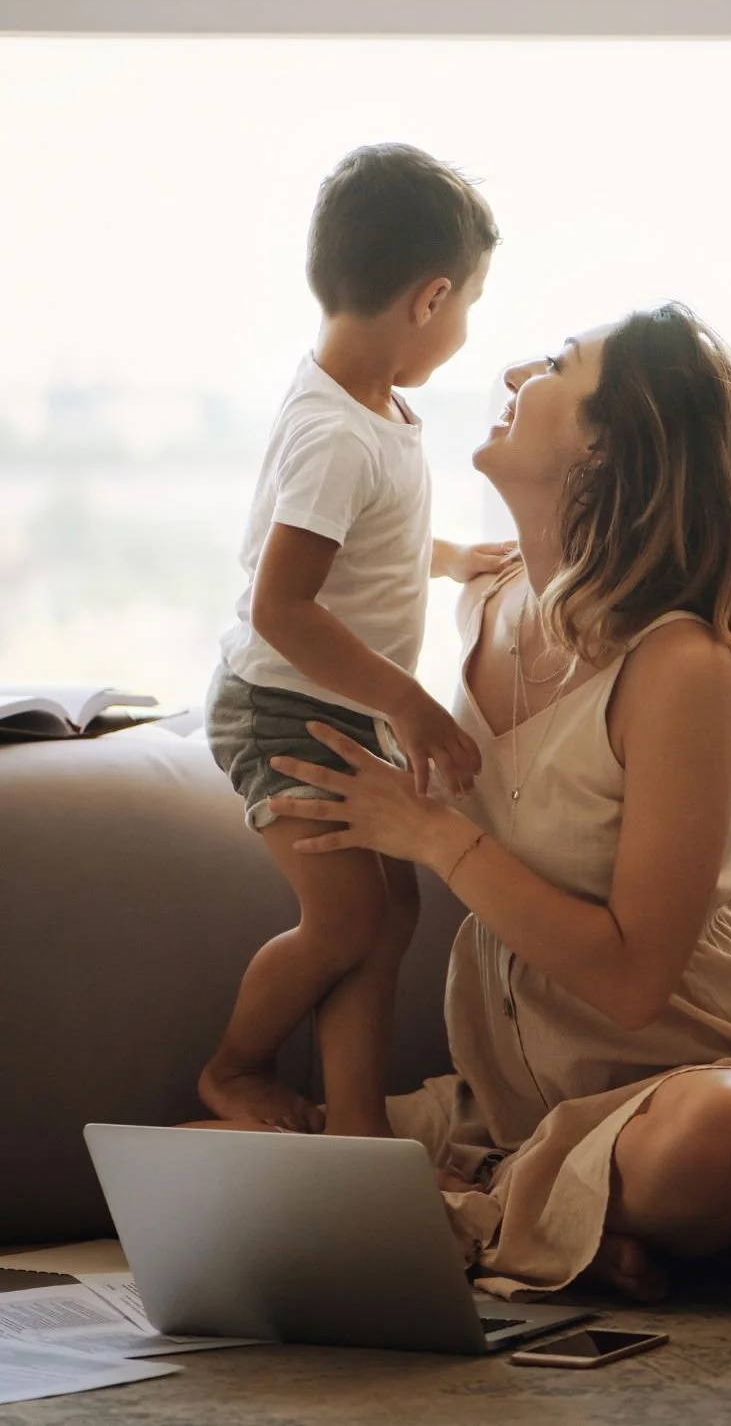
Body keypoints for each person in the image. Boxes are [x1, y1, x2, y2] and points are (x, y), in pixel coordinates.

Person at [263, 302, 731, 1303]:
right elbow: (300, 576)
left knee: (722, 1143)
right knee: (209, 1152)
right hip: (509, 1112)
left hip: (691, 1094)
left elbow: (636, 982)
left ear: (608, 446)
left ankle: (483, 1212)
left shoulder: (679, 665)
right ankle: (538, 1213)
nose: (512, 372)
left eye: (557, 364)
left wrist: (430, 835)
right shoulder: (485, 601)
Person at [201, 143, 513, 1139]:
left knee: (394, 914)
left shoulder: (370, 407)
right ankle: (235, 1069)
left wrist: (454, 556)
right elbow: (283, 607)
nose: (464, 329)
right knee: (344, 918)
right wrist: (410, 704)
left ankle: (354, 1128)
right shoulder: (333, 430)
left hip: (333, 703)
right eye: (468, 306)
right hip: (283, 706)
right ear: (430, 299)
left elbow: (362, 546)